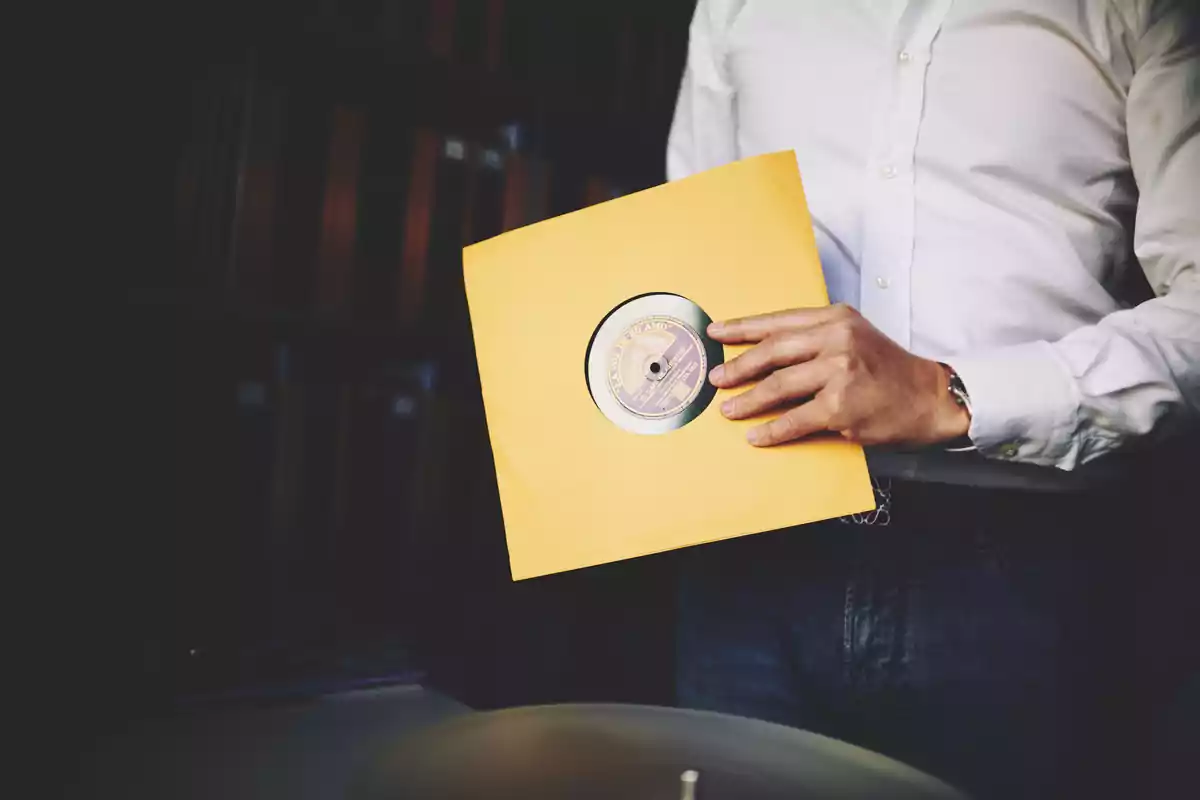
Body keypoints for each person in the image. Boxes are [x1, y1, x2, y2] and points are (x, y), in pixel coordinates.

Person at [665, 1, 1199, 798]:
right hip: (754, 561)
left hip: (1028, 575)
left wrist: (952, 395)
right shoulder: (735, 8)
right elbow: (684, 261)